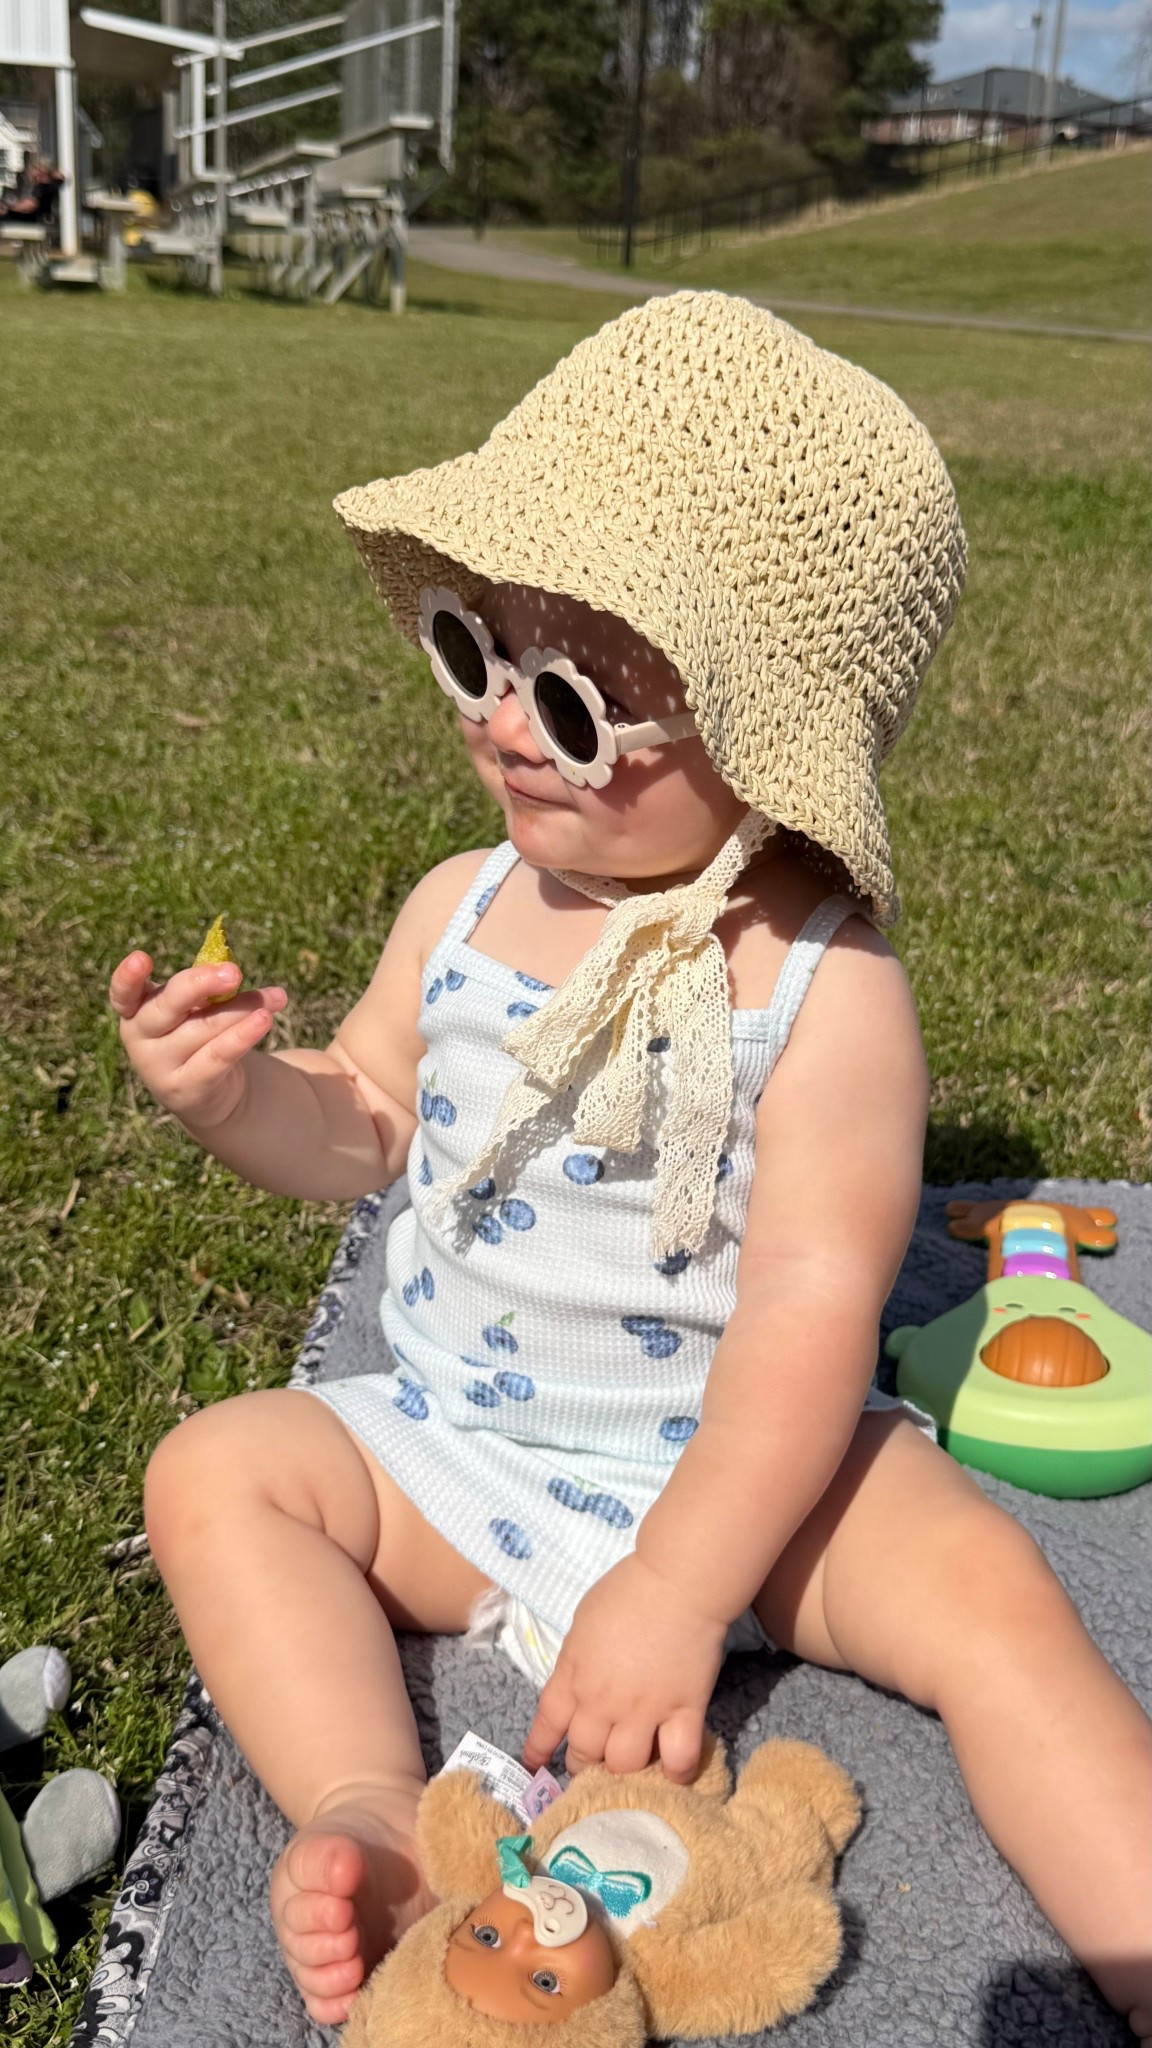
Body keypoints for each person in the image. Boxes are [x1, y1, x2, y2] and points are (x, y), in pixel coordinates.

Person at [108, 293, 1152, 2039]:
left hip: (757, 1478)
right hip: (466, 1445)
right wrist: (233, 1099)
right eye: (474, 652)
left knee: (991, 1599)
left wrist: (680, 1585)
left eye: (579, 699)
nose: (510, 720)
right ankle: (373, 1804)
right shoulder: (457, 908)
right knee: (221, 1472)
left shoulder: (822, 985)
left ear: (773, 737)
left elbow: (816, 1307)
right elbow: (363, 1120)